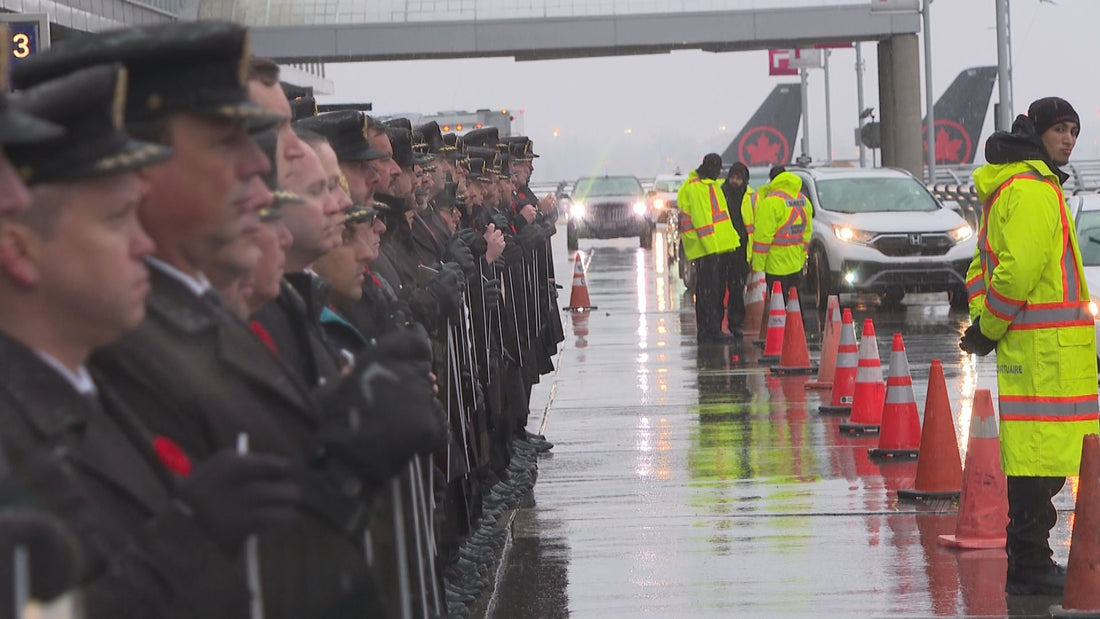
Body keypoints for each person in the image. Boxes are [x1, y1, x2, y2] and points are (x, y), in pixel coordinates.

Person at [959, 97, 1099, 596]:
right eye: (1060, 129)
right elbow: (1018, 271)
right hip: (1046, 355)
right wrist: (990, 328)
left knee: (1038, 462)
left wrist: (986, 323)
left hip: (1037, 349)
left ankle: (1029, 559)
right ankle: (1030, 562)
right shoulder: (1034, 190)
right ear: (1036, 133)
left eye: (1074, 132)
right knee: (1040, 465)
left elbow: (982, 268)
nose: (1068, 139)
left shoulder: (1013, 187)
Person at [676, 153, 741, 344]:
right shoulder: (698, 188)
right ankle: (710, 331)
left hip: (712, 248)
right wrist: (711, 250)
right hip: (705, 249)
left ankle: (709, 330)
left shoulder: (708, 185)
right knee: (708, 293)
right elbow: (702, 221)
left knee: (710, 291)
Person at [751, 165, 813, 309]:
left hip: (775, 265)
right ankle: (798, 329)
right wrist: (801, 257)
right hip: (795, 263)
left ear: (772, 180)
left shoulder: (771, 202)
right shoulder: (803, 200)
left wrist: (758, 267)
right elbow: (807, 232)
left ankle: (781, 331)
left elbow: (763, 238)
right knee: (795, 305)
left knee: (778, 308)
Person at [721, 162, 753, 336]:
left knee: (737, 288)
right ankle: (719, 322)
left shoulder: (751, 196)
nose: (735, 181)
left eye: (738, 178)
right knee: (719, 289)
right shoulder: (721, 194)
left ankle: (736, 322)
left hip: (741, 249)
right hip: (723, 248)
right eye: (732, 177)